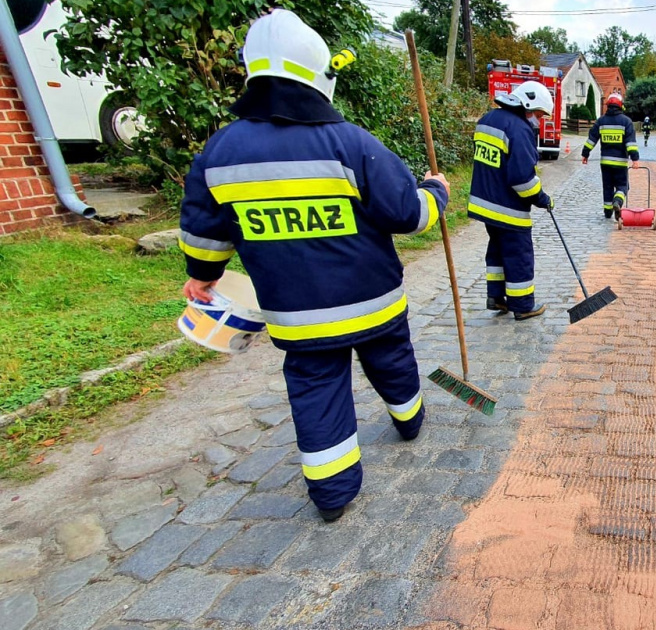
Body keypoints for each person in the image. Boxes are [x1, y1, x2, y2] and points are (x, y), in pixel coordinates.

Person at [179, 9, 449, 522]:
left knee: (316, 391)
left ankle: (331, 495)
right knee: (392, 361)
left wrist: (204, 274)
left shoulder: (221, 151)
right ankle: (410, 420)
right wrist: (436, 191)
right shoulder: (352, 143)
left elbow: (203, 229)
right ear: (319, 73)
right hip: (374, 304)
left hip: (297, 316)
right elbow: (408, 215)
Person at [467, 80, 556, 321]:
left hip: (484, 204)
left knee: (497, 250)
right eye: (539, 115)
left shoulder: (487, 119)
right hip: (508, 208)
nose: (539, 121)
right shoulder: (519, 129)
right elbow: (521, 179)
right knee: (519, 255)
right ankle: (523, 305)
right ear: (527, 105)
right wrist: (542, 198)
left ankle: (496, 297)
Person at [582, 92, 640, 220]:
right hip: (620, 163)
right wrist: (635, 159)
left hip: (605, 163)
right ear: (621, 106)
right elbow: (630, 143)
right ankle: (617, 202)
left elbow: (592, 139)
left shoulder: (601, 121)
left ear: (608, 105)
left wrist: (585, 154)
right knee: (623, 186)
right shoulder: (626, 122)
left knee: (607, 187)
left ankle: (608, 212)